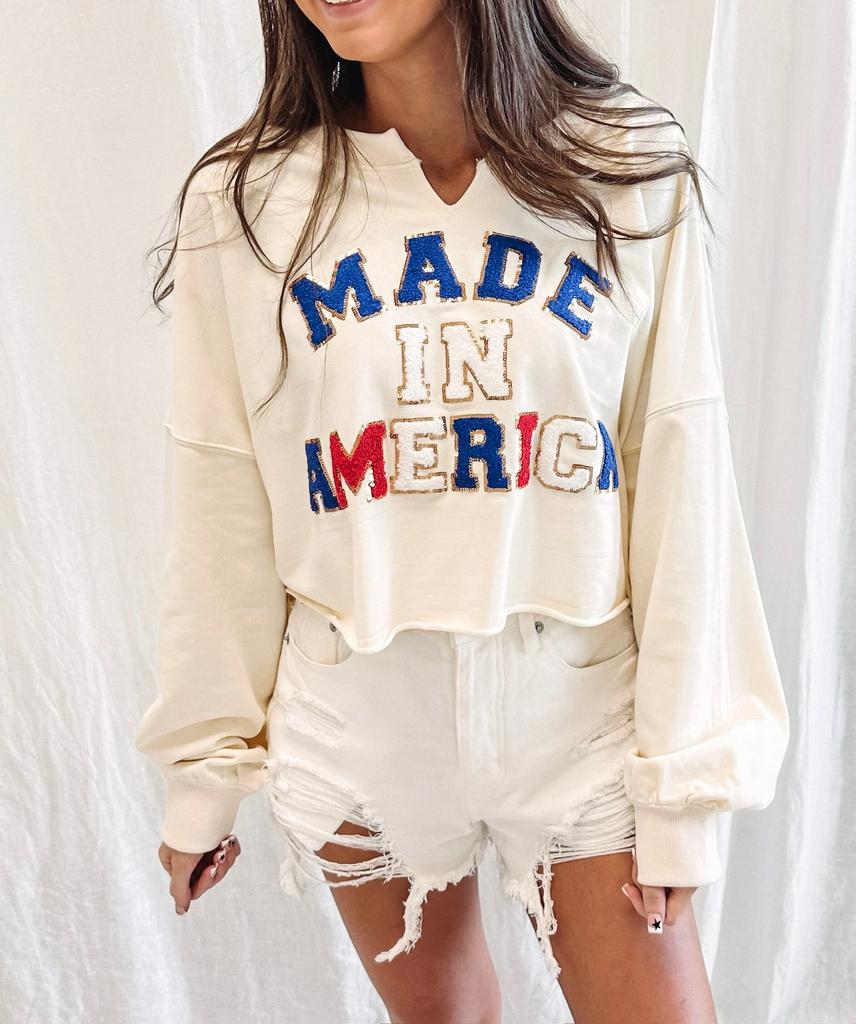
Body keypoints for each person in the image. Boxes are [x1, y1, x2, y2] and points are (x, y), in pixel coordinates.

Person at [134, 0, 790, 1019]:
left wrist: (682, 792)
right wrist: (201, 776)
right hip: (358, 718)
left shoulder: (622, 163)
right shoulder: (251, 200)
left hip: (578, 709)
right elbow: (220, 496)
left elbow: (680, 470)